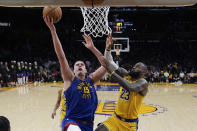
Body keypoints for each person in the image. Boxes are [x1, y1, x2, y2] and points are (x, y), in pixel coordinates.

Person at [44, 16, 108, 131]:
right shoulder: (70, 79)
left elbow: (106, 65)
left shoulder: (91, 80)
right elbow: (61, 56)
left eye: (82, 65)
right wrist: (53, 31)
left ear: (86, 70)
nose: (79, 65)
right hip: (71, 122)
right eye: (77, 65)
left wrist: (92, 48)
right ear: (72, 71)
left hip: (88, 124)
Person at [95, 40, 148, 131]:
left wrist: (112, 73)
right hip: (115, 119)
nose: (134, 67)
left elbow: (131, 88)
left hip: (129, 124)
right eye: (134, 66)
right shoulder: (126, 74)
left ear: (143, 72)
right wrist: (108, 49)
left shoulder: (143, 83)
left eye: (137, 67)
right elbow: (109, 63)